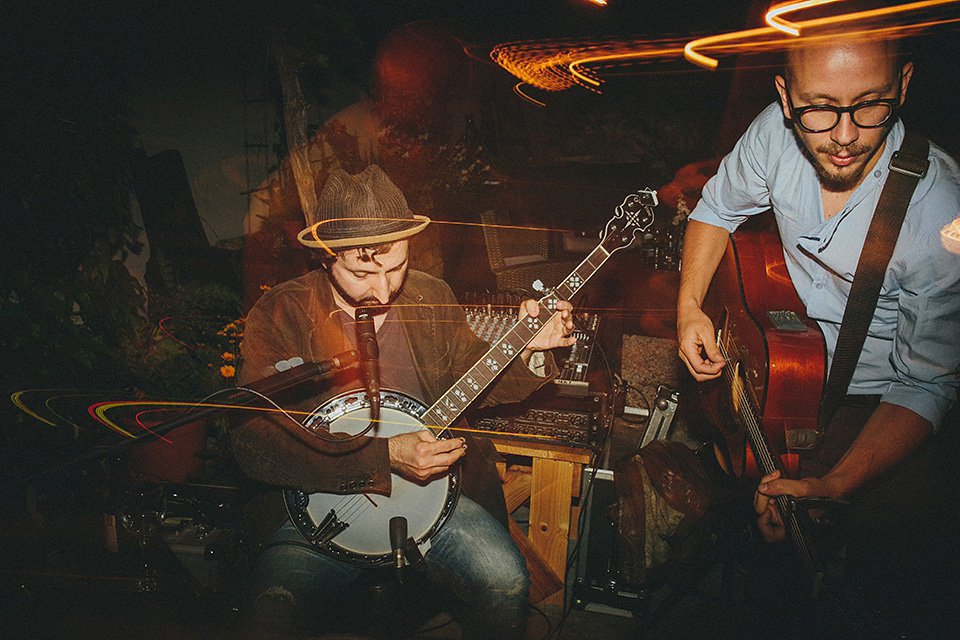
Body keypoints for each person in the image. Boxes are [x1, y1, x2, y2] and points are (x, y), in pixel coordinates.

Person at [676, 34, 960, 633]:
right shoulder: (772, 134)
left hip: (877, 404)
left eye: (871, 104)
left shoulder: (938, 212)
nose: (844, 134)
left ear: (904, 87)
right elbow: (715, 210)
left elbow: (926, 387)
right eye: (819, 107)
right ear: (785, 97)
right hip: (785, 365)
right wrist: (689, 308)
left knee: (873, 575)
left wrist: (831, 484)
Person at [231, 164, 576, 638]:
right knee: (272, 612)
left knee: (506, 582)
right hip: (319, 510)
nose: (384, 288)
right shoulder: (280, 312)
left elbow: (476, 376)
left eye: (397, 267)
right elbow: (253, 440)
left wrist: (533, 352)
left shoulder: (430, 295)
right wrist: (384, 456)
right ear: (327, 258)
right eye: (361, 272)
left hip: (433, 501)